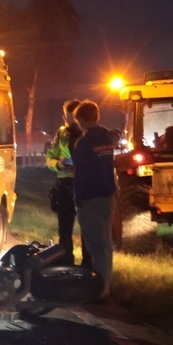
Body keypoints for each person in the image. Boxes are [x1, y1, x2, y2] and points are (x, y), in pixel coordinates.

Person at [71, 99, 120, 299]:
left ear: (81, 119)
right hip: (107, 195)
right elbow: (116, 135)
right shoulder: (107, 138)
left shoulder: (83, 143)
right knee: (105, 243)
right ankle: (103, 284)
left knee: (96, 245)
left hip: (90, 198)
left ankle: (100, 289)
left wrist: (78, 198)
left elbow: (81, 174)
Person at [44, 98, 82, 266]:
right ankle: (66, 262)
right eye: (65, 116)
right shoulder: (61, 133)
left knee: (87, 228)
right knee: (64, 229)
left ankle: (88, 264)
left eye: (69, 117)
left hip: (82, 184)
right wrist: (58, 165)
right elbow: (50, 157)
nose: (66, 120)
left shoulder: (86, 133)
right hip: (64, 184)